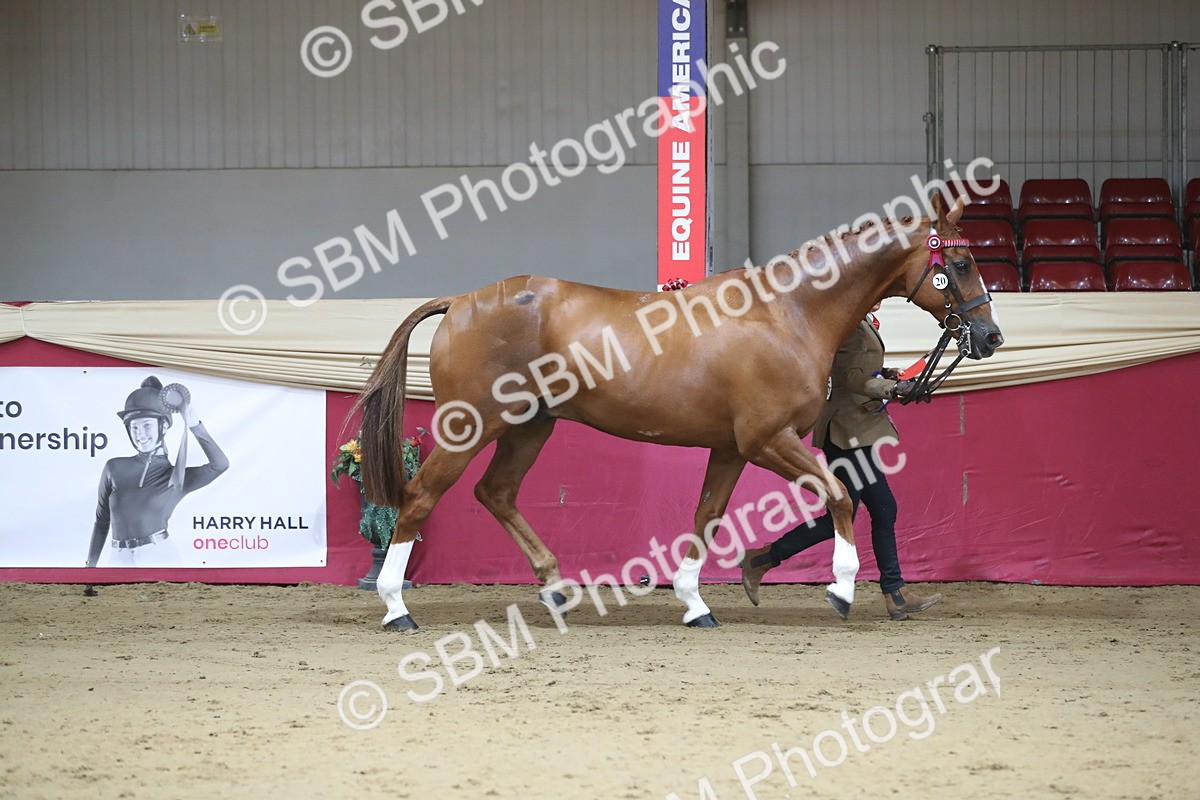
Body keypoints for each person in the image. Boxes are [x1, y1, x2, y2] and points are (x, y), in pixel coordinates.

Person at [739, 304, 943, 621]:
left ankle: (895, 593)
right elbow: (849, 377)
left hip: (857, 429)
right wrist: (892, 388)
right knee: (846, 516)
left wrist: (888, 377)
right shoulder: (846, 321)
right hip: (845, 432)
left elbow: (861, 370)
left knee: (876, 511)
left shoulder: (857, 319)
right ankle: (763, 559)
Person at [86, 376, 229, 568]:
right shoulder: (114, 467)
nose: (140, 434)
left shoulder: (176, 477)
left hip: (158, 555)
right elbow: (102, 521)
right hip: (118, 558)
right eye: (134, 427)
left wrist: (194, 424)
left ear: (163, 426)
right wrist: (90, 569)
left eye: (146, 425)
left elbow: (220, 464)